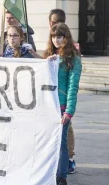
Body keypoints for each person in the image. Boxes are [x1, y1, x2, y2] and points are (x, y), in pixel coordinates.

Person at [43, 23, 82, 185]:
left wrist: (69, 111)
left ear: (66, 38)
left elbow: (73, 87)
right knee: (46, 142)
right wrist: (46, 62)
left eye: (59, 36)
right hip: (47, 105)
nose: (56, 40)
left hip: (62, 107)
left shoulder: (73, 58)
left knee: (61, 144)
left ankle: (61, 176)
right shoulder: (49, 55)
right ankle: (47, 174)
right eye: (53, 37)